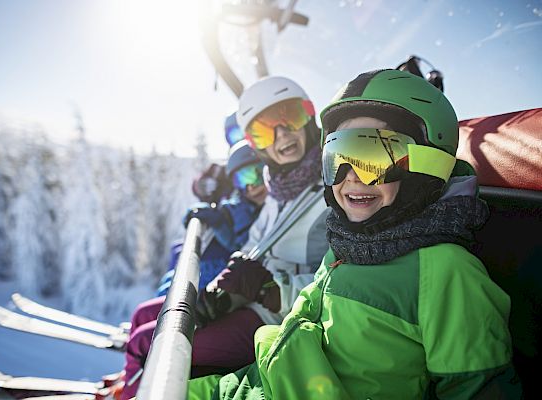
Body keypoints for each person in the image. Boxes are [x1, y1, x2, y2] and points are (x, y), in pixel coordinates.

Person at [187, 69, 522, 399]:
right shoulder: (347, 244)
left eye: (373, 157)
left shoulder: (446, 271)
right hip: (261, 380)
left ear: (426, 163)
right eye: (338, 157)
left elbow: (477, 387)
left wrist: (268, 292)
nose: (351, 177)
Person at [119, 75, 329, 399]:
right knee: (147, 317)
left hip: (277, 317)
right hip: (251, 302)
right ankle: (128, 387)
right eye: (264, 129)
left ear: (309, 116)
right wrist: (225, 289)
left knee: (152, 344)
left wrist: (270, 290)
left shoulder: (332, 189)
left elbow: (335, 278)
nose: (282, 134)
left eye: (291, 117)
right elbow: (252, 247)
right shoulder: (279, 187)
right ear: (256, 143)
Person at [157, 139, 267, 296]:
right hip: (224, 263)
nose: (251, 186)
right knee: (178, 256)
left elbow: (245, 245)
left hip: (231, 273)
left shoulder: (270, 206)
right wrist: (206, 192)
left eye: (257, 175)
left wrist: (220, 224)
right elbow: (201, 186)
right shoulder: (240, 201)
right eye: (243, 179)